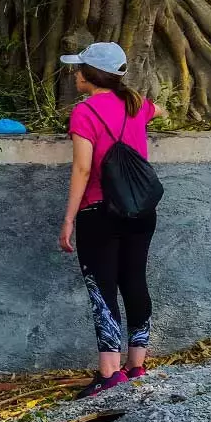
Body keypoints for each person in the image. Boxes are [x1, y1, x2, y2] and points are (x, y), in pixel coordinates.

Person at [56, 42, 164, 399]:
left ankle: (108, 373)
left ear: (90, 75)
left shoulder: (84, 112)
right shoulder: (137, 105)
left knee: (102, 288)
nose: (74, 74)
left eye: (78, 69)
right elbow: (158, 110)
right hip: (140, 211)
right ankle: (136, 365)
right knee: (134, 280)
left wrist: (69, 219)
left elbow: (83, 168)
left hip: (99, 212)